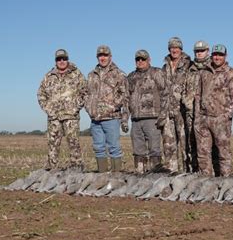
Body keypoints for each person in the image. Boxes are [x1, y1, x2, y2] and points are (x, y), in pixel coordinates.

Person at [37, 49, 87, 171]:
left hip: (71, 117)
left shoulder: (76, 74)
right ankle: (52, 170)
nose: (62, 61)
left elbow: (85, 92)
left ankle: (76, 169)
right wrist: (49, 110)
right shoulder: (48, 77)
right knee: (53, 145)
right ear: (56, 61)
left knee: (74, 143)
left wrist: (75, 107)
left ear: (67, 59)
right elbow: (41, 94)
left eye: (64, 59)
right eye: (59, 59)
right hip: (54, 118)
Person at [194, 44, 233, 177]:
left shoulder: (231, 73)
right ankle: (206, 181)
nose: (217, 57)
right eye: (215, 55)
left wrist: (226, 117)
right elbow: (198, 95)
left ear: (225, 56)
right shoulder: (204, 72)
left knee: (223, 153)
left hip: (220, 119)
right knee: (203, 153)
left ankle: (225, 181)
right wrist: (198, 116)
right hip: (203, 119)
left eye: (220, 55)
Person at [85, 45, 129, 173]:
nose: (102, 58)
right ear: (97, 57)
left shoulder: (119, 74)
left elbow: (125, 95)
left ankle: (116, 177)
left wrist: (113, 106)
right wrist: (89, 107)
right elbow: (85, 93)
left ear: (110, 57)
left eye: (105, 55)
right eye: (100, 55)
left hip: (111, 118)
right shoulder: (91, 75)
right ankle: (102, 176)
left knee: (114, 147)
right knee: (98, 147)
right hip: (95, 119)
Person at [128, 50, 169, 173]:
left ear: (149, 60)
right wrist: (125, 117)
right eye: (138, 59)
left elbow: (165, 93)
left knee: (154, 149)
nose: (140, 61)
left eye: (143, 59)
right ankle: (140, 174)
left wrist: (163, 114)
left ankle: (155, 175)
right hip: (135, 118)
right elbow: (126, 97)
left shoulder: (156, 73)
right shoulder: (131, 77)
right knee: (138, 150)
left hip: (152, 118)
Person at [183, 40, 219, 173]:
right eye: (197, 51)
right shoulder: (190, 70)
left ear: (207, 51)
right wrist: (187, 103)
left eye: (202, 51)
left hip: (209, 115)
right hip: (191, 114)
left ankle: (216, 175)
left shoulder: (213, 68)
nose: (199, 53)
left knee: (213, 146)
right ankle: (197, 174)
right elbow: (184, 89)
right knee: (193, 145)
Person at [161, 37, 192, 172]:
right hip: (168, 111)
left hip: (183, 112)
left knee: (186, 147)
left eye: (177, 47)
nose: (174, 50)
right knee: (169, 147)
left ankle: (187, 175)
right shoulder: (165, 66)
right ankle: (171, 174)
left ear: (181, 49)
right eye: (172, 47)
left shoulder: (189, 65)